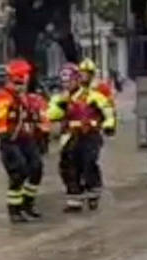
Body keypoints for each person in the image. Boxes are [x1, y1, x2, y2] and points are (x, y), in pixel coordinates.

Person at [48, 64, 117, 212]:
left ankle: (93, 193)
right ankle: (74, 200)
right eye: (64, 82)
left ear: (77, 80)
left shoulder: (92, 96)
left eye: (70, 81)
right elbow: (52, 115)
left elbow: (107, 110)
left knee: (89, 163)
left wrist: (109, 124)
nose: (67, 85)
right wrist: (62, 105)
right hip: (70, 136)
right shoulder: (59, 98)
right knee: (68, 167)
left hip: (90, 135)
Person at [0, 60, 46, 223]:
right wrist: (3, 133)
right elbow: (0, 115)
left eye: (24, 81)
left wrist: (42, 134)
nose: (22, 85)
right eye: (19, 82)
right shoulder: (3, 95)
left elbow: (36, 116)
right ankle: (14, 210)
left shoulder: (26, 97)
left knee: (36, 168)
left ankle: (28, 204)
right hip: (10, 140)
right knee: (18, 172)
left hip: (26, 138)